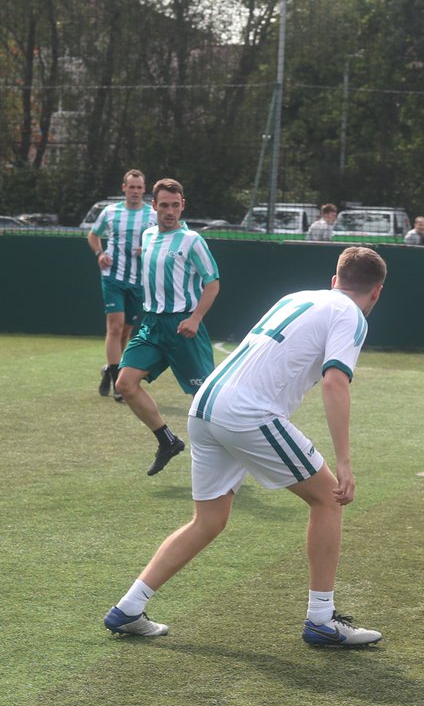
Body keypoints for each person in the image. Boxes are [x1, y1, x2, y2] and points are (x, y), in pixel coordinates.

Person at [104, 245, 387, 647]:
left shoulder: (297, 296)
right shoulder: (351, 315)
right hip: (247, 413)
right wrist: (344, 462)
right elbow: (334, 381)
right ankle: (322, 620)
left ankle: (128, 608)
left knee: (209, 520)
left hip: (205, 406)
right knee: (329, 498)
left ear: (334, 280)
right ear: (376, 292)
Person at [114, 178, 220, 477]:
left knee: (207, 399)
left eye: (175, 205)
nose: (170, 211)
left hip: (182, 326)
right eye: (164, 205)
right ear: (154, 207)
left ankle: (228, 457)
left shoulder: (192, 241)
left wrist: (195, 318)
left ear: (183, 205)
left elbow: (212, 283)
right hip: (151, 325)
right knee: (124, 384)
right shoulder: (148, 236)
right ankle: (167, 441)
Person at [87, 169, 156, 398]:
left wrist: (146, 249)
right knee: (115, 327)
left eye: (139, 187)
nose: (135, 191)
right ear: (123, 188)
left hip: (138, 281)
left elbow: (162, 240)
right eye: (131, 187)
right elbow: (93, 235)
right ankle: (118, 382)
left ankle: (110, 369)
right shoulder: (110, 211)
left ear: (144, 190)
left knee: (126, 330)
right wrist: (99, 254)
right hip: (113, 276)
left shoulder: (152, 214)